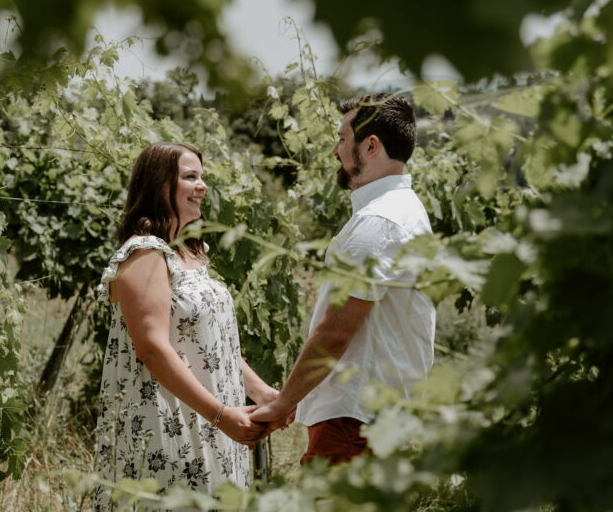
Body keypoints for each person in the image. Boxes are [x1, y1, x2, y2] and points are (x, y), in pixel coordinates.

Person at [250, 94, 435, 465]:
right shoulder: (402, 212)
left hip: (353, 421)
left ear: (370, 146)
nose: (335, 150)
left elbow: (335, 331)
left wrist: (286, 401)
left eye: (341, 139)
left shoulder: (379, 222)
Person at [92, 142, 276, 507]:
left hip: (211, 419)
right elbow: (152, 348)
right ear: (161, 186)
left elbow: (209, 344)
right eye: (191, 177)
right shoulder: (145, 253)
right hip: (171, 422)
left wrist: (262, 393)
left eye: (202, 177)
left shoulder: (192, 251)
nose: (203, 186)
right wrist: (222, 415)